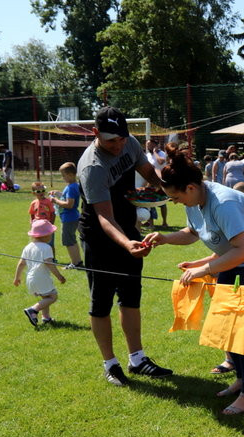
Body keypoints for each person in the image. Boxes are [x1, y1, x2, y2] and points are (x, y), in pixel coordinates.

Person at [143, 144, 244, 415]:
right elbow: (193, 232)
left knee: (241, 324)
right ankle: (242, 378)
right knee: (228, 321)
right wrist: (165, 239)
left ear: (191, 188)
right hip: (237, 258)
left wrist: (204, 268)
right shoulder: (196, 200)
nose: (175, 203)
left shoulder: (224, 203)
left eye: (175, 198)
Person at [77, 106, 173, 386]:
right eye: (111, 141)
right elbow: (104, 217)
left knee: (131, 296)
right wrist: (127, 243)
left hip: (129, 229)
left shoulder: (128, 141)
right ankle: (110, 363)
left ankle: (137, 359)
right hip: (99, 237)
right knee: (101, 303)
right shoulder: (92, 167)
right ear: (95, 134)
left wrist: (168, 190)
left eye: (121, 138)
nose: (118, 145)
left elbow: (149, 174)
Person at [14, 219, 66, 327]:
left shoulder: (28, 247)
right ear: (45, 236)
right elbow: (49, 264)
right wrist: (59, 276)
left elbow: (21, 263)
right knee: (52, 297)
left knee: (45, 297)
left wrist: (17, 278)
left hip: (30, 278)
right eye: (51, 234)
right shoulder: (46, 247)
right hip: (41, 278)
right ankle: (33, 310)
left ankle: (46, 318)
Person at [49, 162, 82, 269]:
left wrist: (55, 201)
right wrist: (59, 193)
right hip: (72, 217)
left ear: (71, 175)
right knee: (72, 240)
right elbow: (66, 198)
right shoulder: (73, 185)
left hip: (69, 218)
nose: (63, 178)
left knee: (68, 241)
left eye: (64, 175)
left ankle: (75, 263)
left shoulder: (72, 187)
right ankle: (77, 261)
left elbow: (69, 204)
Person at [145, 139, 169, 227]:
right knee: (149, 203)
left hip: (160, 182)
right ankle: (151, 223)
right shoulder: (147, 155)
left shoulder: (162, 153)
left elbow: (161, 161)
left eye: (150, 145)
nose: (148, 147)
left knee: (162, 203)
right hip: (150, 182)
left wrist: (155, 152)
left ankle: (164, 222)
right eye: (147, 145)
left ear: (156, 145)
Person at [29, 181, 56, 256]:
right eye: (38, 191)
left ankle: (52, 258)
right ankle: (40, 257)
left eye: (43, 191)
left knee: (50, 243)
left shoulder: (48, 202)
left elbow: (53, 213)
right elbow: (31, 214)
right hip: (37, 227)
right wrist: (32, 224)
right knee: (38, 243)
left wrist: (51, 224)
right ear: (34, 193)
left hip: (47, 226)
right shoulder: (33, 203)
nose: (41, 193)